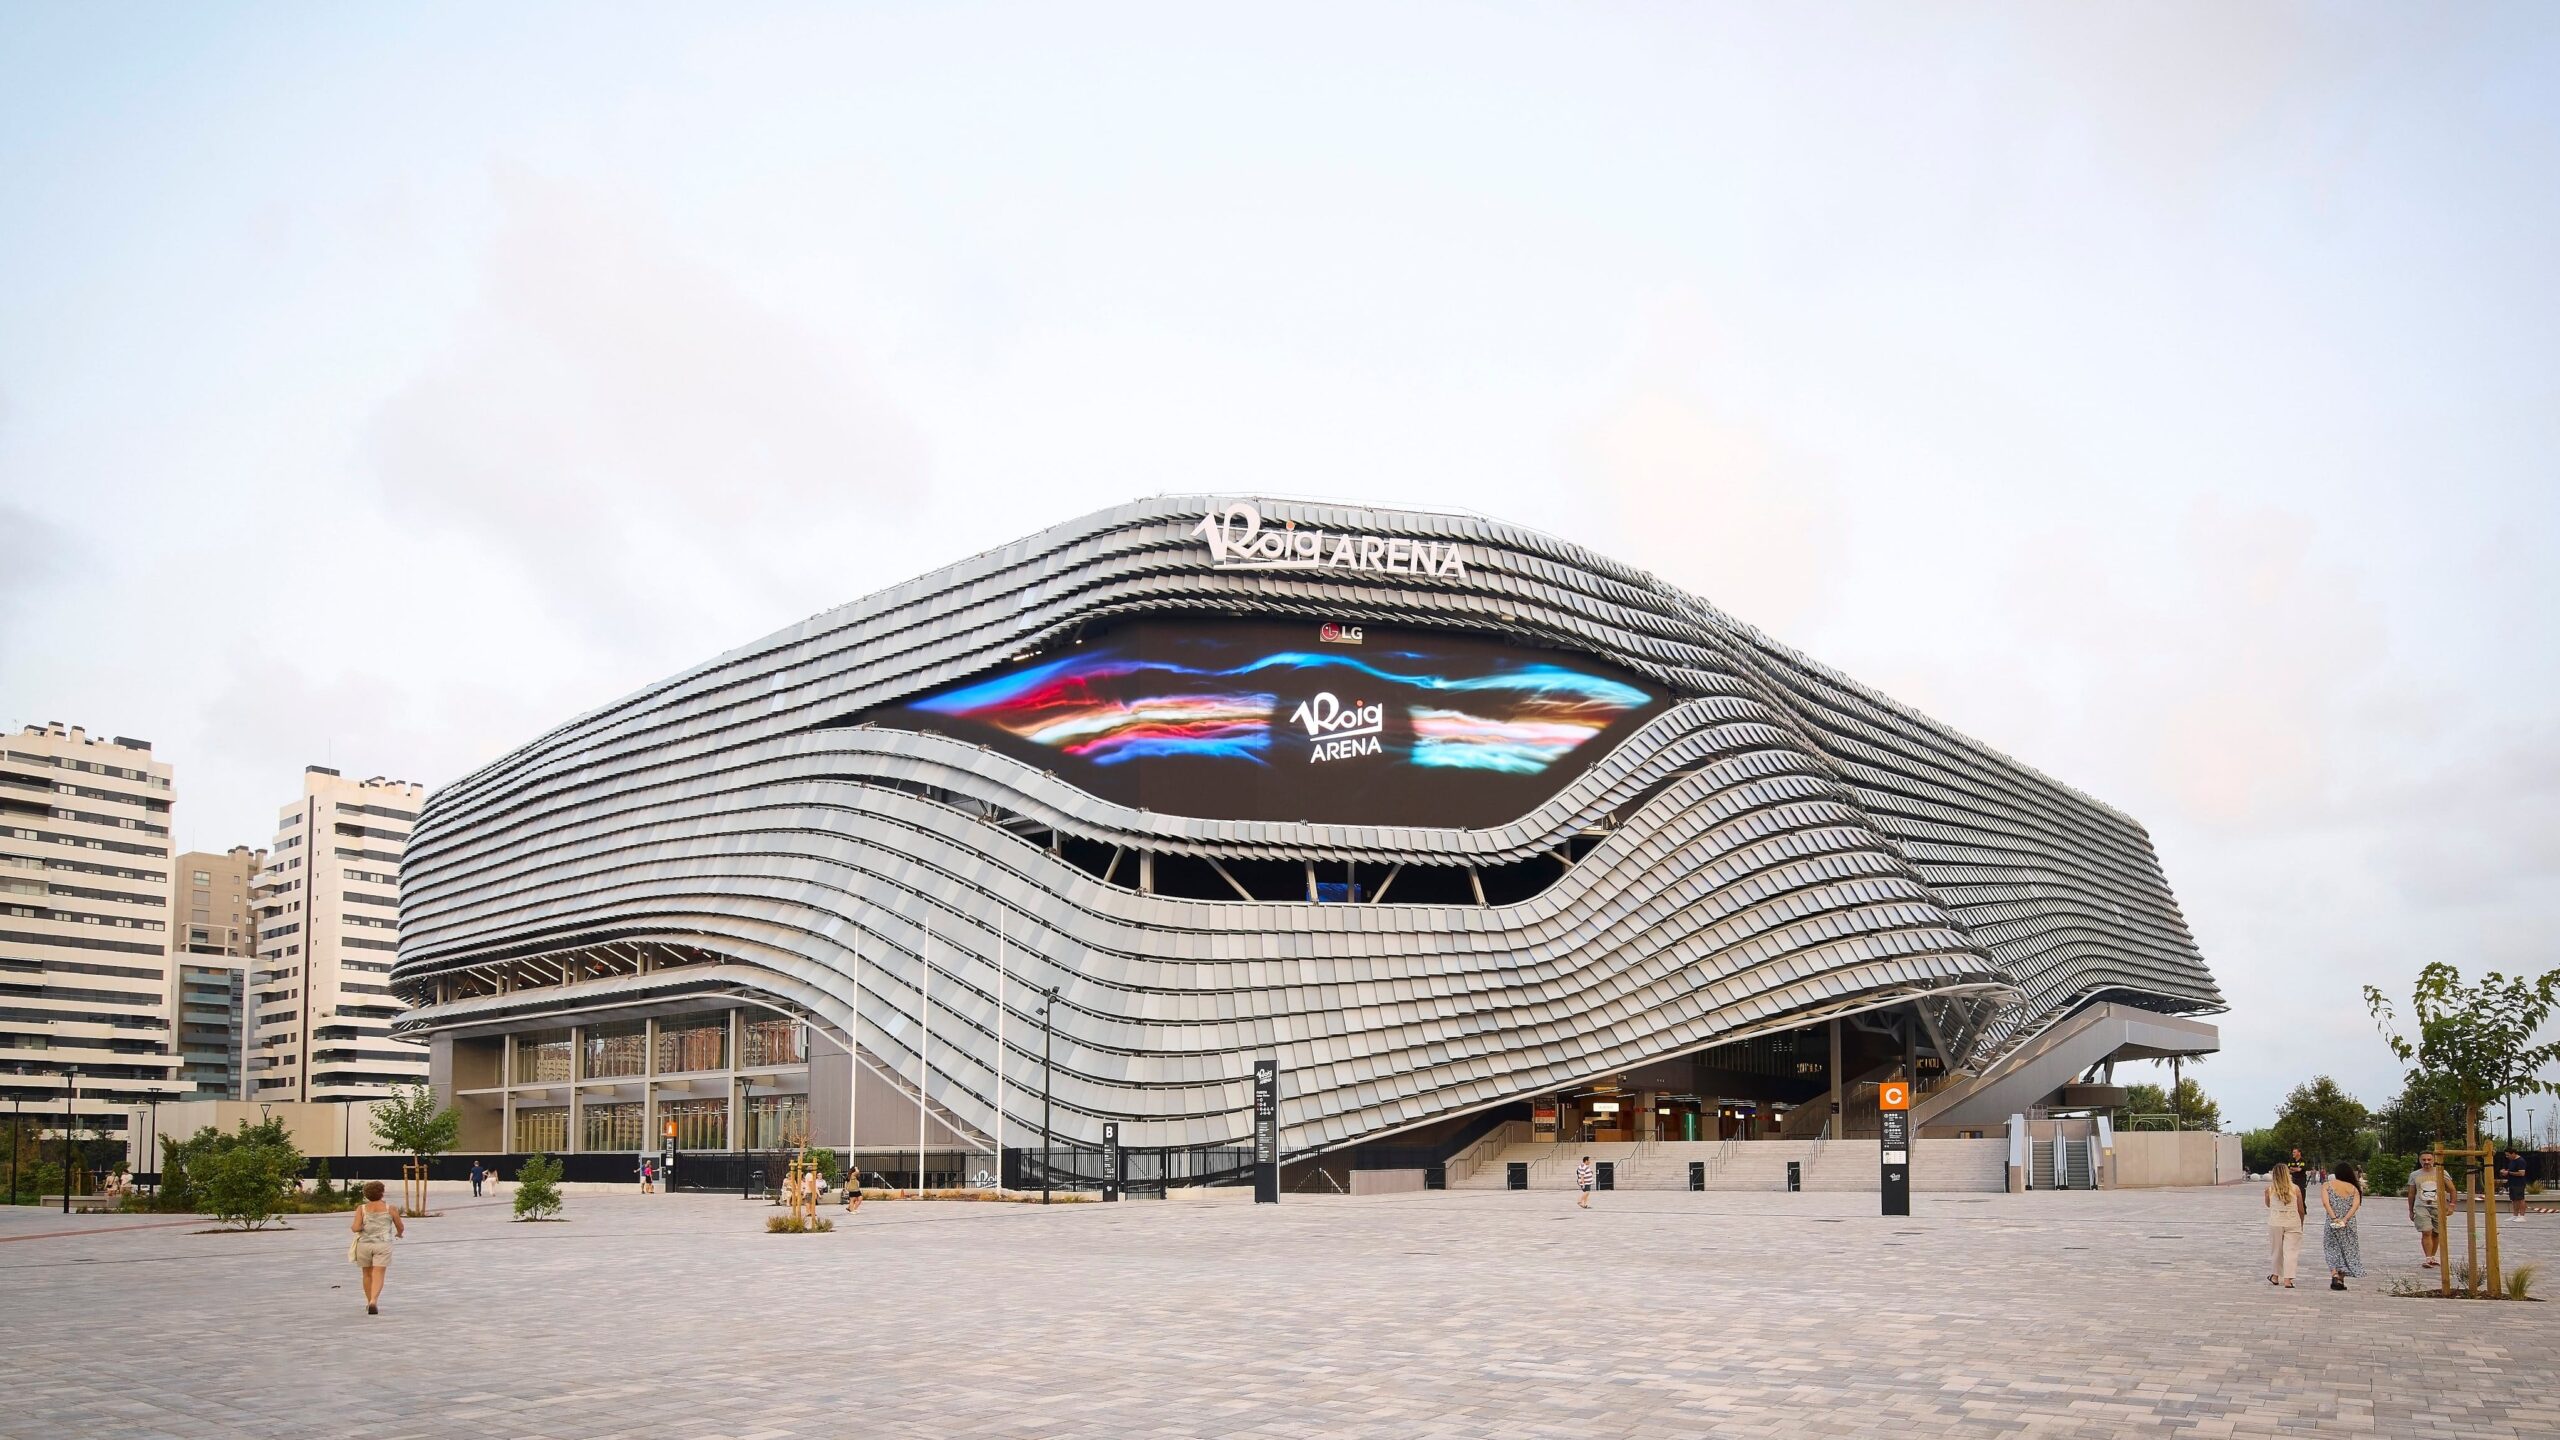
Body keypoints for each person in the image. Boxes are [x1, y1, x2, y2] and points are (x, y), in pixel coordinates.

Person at [349, 1180, 404, 1315]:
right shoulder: (390, 1208)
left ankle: (369, 1302)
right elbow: (400, 1226)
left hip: (364, 1245)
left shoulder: (361, 1209)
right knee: (378, 1272)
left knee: (366, 1273)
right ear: (382, 1193)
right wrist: (399, 1233)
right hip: (383, 1245)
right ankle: (374, 1300)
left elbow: (355, 1228)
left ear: (366, 1195)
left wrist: (362, 1227)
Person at [2318, 1161, 2365, 1291]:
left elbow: (2326, 1203)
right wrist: (2345, 1219)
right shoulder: (2354, 1188)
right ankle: (2341, 1279)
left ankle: (2334, 1274)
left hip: (2332, 1222)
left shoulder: (2327, 1185)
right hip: (2348, 1224)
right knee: (2347, 1250)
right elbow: (2355, 1206)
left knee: (2331, 1248)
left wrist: (2334, 1218)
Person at [2264, 1162, 2303, 1288]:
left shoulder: (2269, 1190)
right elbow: (2301, 1209)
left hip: (2275, 1221)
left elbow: (2269, 1205)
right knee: (2291, 1251)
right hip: (2292, 1220)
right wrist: (2301, 1222)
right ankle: (2288, 1279)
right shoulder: (2295, 1189)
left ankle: (2275, 1276)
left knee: (2276, 1250)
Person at [2407, 1152, 2444, 1268]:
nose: (2426, 1162)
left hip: (2438, 1206)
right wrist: (2410, 1210)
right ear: (2420, 1160)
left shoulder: (2441, 1172)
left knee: (2436, 1233)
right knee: (2426, 1231)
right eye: (2424, 1159)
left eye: (2429, 1159)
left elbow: (2451, 1188)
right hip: (2421, 1206)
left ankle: (2432, 1257)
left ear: (2433, 1160)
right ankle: (2428, 1258)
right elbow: (2411, 1193)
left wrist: (2451, 1204)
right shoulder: (2414, 1175)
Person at [2502, 1150, 2529, 1220]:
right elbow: (2511, 1170)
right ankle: (2515, 1215)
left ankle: (2522, 1216)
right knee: (2514, 1199)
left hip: (2519, 1183)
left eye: (2508, 1155)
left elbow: (2521, 1173)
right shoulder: (2512, 1161)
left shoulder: (2520, 1161)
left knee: (2520, 1199)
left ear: (2513, 1153)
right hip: (2512, 1182)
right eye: (2506, 1155)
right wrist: (2505, 1171)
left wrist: (2509, 1173)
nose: (2507, 1157)